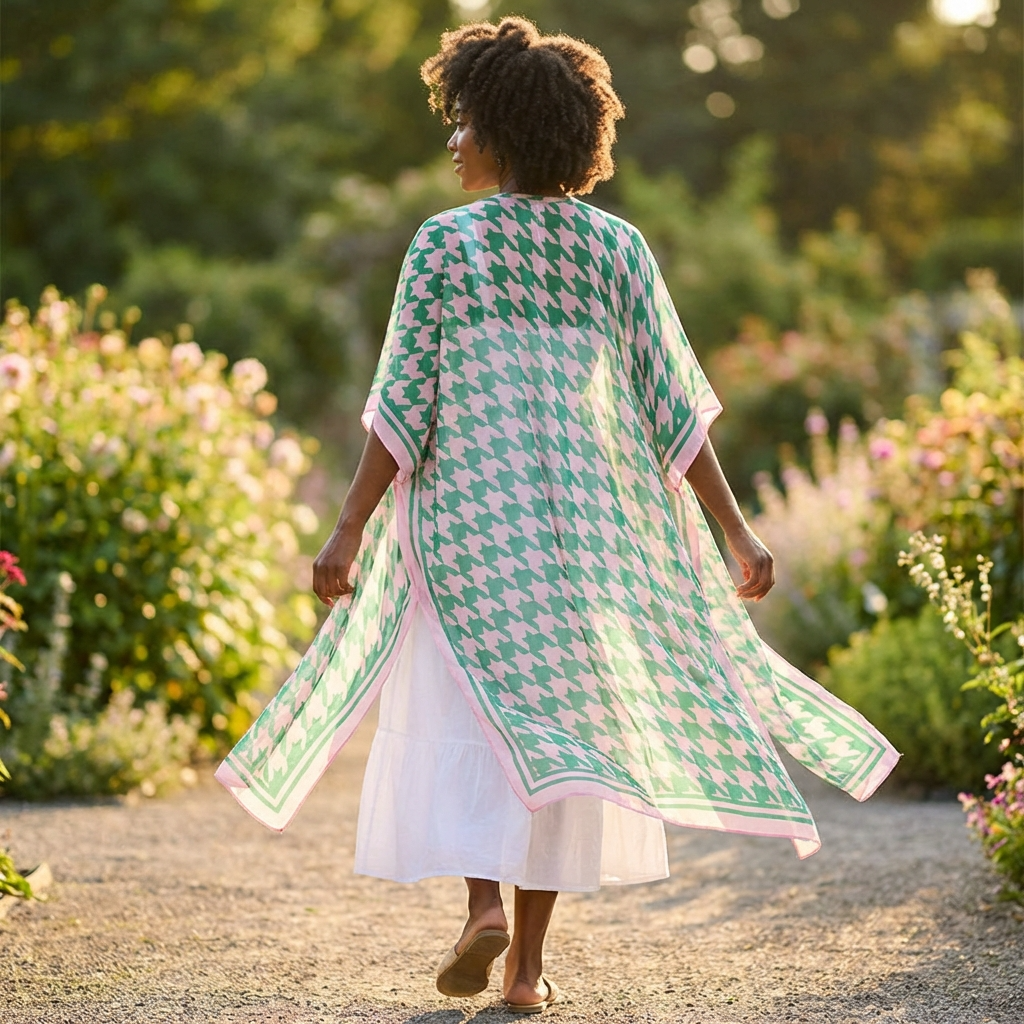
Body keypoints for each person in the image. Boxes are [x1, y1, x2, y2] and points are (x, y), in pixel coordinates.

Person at [216, 16, 898, 1015]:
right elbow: (675, 412)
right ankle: (527, 971)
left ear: (501, 130)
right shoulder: (616, 251)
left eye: (462, 124)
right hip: (581, 549)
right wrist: (733, 530)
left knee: (467, 720)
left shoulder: (446, 246)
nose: (452, 142)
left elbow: (401, 408)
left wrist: (349, 526)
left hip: (465, 533)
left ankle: (480, 904)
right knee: (560, 741)